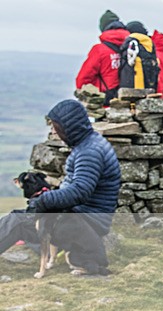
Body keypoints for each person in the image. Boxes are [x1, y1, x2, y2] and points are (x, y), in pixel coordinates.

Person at [0, 100, 122, 271]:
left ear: (69, 127)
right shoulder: (89, 144)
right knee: (26, 218)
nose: (54, 131)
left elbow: (79, 192)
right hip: (82, 218)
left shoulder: (90, 152)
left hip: (86, 221)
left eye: (56, 127)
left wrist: (44, 200)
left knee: (18, 221)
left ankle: (76, 252)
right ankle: (59, 251)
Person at [75, 10, 129, 104]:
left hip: (106, 100)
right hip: (131, 101)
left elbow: (83, 79)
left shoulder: (99, 50)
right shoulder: (132, 47)